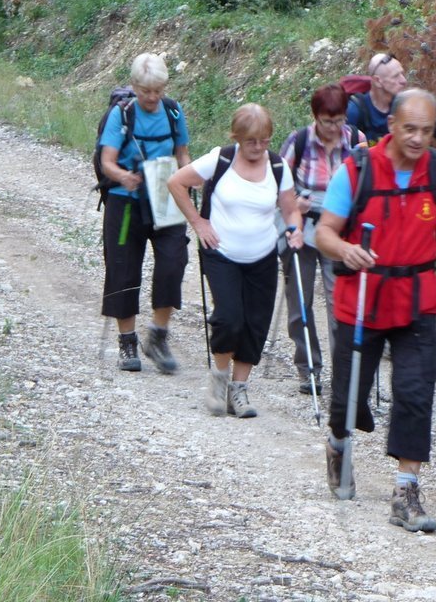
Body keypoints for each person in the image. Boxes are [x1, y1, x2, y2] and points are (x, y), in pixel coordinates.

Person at [316, 88, 436, 534]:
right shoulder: (357, 170)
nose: (418, 138)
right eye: (410, 129)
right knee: (348, 398)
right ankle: (339, 443)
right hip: (361, 299)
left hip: (417, 299)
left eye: (426, 131)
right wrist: (345, 248)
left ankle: (406, 490)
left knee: (416, 393)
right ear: (393, 127)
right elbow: (324, 232)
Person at [168, 104, 303, 419]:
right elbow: (176, 182)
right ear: (237, 137)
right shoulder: (221, 159)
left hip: (263, 255)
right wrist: (199, 223)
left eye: (265, 141)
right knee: (229, 317)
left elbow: (289, 207)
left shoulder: (278, 167)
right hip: (222, 252)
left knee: (256, 324)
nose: (258, 148)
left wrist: (295, 229)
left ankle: (239, 390)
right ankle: (219, 379)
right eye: (252, 141)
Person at [99, 53, 190, 375]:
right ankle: (127, 342)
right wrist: (122, 176)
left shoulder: (173, 111)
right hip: (127, 200)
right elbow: (107, 159)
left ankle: (158, 336)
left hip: (166, 195)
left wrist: (188, 181)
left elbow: (182, 154)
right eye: (146, 91)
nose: (152, 98)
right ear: (134, 86)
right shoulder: (121, 115)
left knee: (174, 261)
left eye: (158, 90)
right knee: (123, 268)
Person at [278, 84, 367, 395]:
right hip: (302, 228)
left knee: (339, 303)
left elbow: (366, 181)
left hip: (338, 233)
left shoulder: (356, 141)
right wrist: (292, 206)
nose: (334, 128)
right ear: (315, 117)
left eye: (339, 120)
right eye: (328, 121)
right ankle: (308, 368)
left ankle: (342, 370)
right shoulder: (298, 141)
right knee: (299, 302)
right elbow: (278, 182)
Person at [345, 52, 408, 144]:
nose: (403, 81)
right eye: (395, 76)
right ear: (377, 81)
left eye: (402, 74)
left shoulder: (403, 108)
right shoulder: (354, 111)